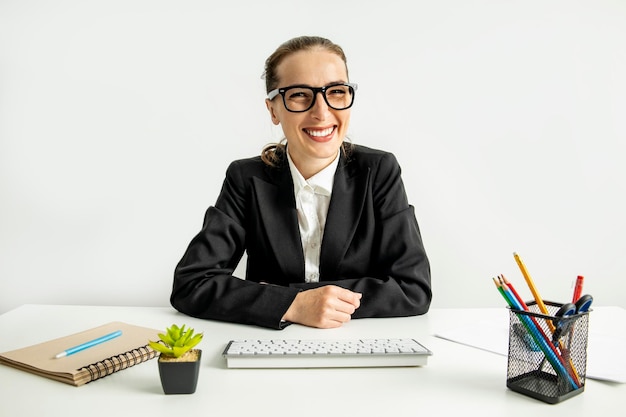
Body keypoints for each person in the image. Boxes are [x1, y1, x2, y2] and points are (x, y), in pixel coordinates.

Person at [170, 35, 431, 329]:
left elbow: (413, 289)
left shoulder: (380, 171)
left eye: (336, 92)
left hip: (356, 343)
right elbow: (191, 284)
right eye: (298, 95)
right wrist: (295, 306)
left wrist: (291, 299)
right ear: (273, 110)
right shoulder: (246, 179)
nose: (322, 112)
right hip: (268, 345)